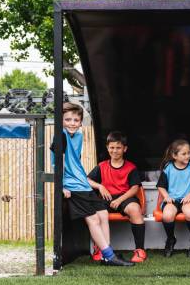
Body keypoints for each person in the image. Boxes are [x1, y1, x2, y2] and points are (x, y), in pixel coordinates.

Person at [51, 102, 133, 266]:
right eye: (67, 120)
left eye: (76, 120)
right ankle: (110, 256)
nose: (72, 123)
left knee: (103, 214)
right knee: (93, 219)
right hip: (73, 186)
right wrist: (61, 186)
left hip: (83, 184)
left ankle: (105, 254)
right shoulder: (60, 136)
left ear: (81, 122)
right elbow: (56, 163)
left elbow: (76, 161)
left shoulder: (79, 136)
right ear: (61, 121)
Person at [87, 131, 147, 263]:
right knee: (95, 213)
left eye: (118, 147)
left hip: (125, 198)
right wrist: (100, 186)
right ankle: (101, 248)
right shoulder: (101, 166)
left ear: (125, 149)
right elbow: (87, 180)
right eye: (112, 147)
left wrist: (119, 200)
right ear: (107, 148)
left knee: (135, 210)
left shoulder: (131, 167)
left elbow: (135, 188)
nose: (115, 150)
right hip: (106, 199)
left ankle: (140, 250)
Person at [156, 139, 190, 258]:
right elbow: (161, 186)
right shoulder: (168, 168)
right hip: (172, 200)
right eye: (184, 154)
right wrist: (166, 196)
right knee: (167, 215)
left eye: (188, 153)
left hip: (189, 200)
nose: (187, 156)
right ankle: (171, 239)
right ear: (174, 155)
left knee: (189, 212)